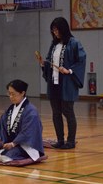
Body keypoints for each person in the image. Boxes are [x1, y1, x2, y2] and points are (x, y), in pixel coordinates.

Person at [37, 17, 86, 149]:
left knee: (68, 111)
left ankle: (70, 141)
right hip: (54, 83)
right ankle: (60, 140)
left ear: (63, 29)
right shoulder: (53, 45)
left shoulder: (74, 43)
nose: (55, 32)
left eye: (57, 30)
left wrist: (69, 70)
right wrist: (43, 64)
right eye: (53, 30)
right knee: (56, 113)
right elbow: (49, 61)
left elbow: (81, 61)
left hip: (67, 84)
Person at [0, 79, 45, 163]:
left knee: (4, 156)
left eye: (13, 94)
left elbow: (28, 132)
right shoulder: (10, 110)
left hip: (26, 146)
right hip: (10, 145)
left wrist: (13, 143)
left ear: (22, 93)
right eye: (9, 94)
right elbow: (1, 128)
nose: (11, 97)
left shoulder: (31, 111)